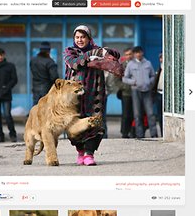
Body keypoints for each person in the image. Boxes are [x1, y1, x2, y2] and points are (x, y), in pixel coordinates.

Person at [64, 25, 120, 165]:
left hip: (95, 94)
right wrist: (92, 55)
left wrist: (105, 52)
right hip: (75, 97)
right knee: (74, 124)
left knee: (95, 122)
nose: (80, 40)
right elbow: (75, 64)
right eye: (77, 37)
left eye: (83, 37)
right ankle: (80, 152)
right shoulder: (69, 52)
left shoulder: (97, 50)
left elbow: (116, 55)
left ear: (89, 38)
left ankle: (89, 154)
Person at [122, 46, 158, 138]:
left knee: (150, 113)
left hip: (147, 91)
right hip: (135, 91)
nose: (138, 54)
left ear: (142, 53)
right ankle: (139, 134)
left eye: (140, 52)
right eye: (136, 53)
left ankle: (154, 134)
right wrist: (133, 82)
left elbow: (153, 76)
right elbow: (125, 78)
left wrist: (149, 82)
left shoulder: (148, 63)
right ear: (134, 54)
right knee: (137, 114)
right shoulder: (130, 64)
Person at [0, 48, 18, 142]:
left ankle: (13, 135)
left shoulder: (10, 66)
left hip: (6, 94)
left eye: (1, 55)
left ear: (4, 55)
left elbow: (14, 79)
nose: (0, 57)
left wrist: (6, 88)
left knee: (7, 115)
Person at [107, 48, 134, 138]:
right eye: (127, 54)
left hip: (137, 93)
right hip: (126, 93)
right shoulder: (121, 66)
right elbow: (116, 80)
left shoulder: (137, 65)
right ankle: (124, 132)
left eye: (130, 54)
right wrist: (125, 87)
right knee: (126, 114)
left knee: (135, 114)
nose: (129, 56)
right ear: (124, 56)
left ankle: (134, 131)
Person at [152, 53, 163, 136]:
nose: (161, 59)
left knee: (164, 114)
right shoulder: (159, 68)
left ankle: (164, 133)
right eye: (160, 58)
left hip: (165, 94)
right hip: (158, 93)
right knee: (159, 115)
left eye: (163, 57)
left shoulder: (169, 68)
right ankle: (162, 133)